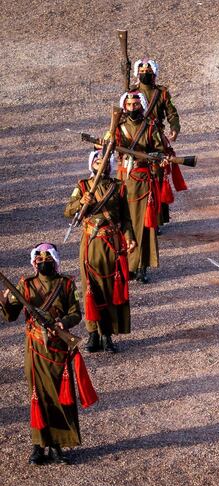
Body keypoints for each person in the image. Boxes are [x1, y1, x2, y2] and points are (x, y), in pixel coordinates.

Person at [0, 243, 95, 465]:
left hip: (58, 349)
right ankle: (37, 446)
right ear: (35, 263)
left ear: (55, 262)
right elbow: (10, 316)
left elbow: (76, 313)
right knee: (38, 397)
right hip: (34, 349)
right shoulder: (25, 284)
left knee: (60, 397)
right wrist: (4, 300)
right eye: (40, 262)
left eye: (48, 262)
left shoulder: (68, 284)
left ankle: (57, 445)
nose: (44, 265)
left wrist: (62, 323)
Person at [64, 150, 137, 352]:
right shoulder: (82, 186)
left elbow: (126, 218)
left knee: (109, 289)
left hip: (112, 244)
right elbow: (68, 211)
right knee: (90, 289)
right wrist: (81, 202)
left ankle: (107, 335)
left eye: (104, 161)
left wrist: (130, 238)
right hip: (91, 243)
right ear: (92, 164)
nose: (100, 163)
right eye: (97, 160)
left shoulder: (118, 187)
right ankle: (93, 335)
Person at [113, 91, 167, 283]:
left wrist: (151, 157)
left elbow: (161, 151)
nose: (133, 108)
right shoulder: (117, 127)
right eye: (129, 105)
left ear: (142, 105)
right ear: (124, 106)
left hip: (144, 182)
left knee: (143, 226)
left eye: (136, 104)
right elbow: (108, 150)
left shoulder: (150, 127)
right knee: (123, 224)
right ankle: (127, 266)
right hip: (124, 181)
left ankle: (142, 266)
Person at [131, 58, 185, 229]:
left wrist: (174, 128)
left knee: (157, 176)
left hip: (156, 139)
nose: (145, 73)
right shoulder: (131, 93)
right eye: (142, 71)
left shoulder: (161, 93)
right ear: (136, 73)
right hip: (137, 137)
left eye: (148, 70)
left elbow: (171, 113)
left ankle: (158, 219)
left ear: (154, 72)